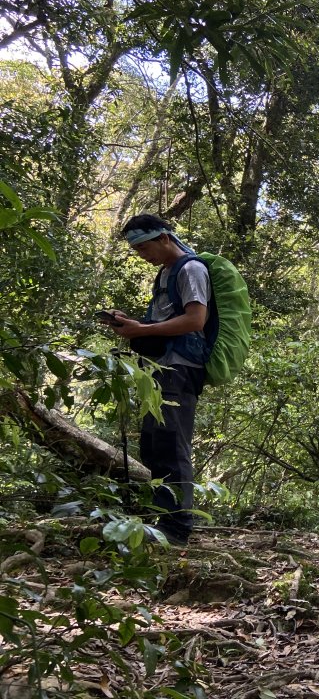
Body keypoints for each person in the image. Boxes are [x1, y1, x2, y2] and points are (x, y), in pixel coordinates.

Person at [105, 214, 210, 547]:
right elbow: (163, 322)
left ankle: (177, 528)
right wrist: (133, 324)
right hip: (159, 367)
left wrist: (143, 330)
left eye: (144, 247)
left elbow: (195, 320)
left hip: (180, 367)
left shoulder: (191, 269)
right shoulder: (165, 273)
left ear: (164, 237)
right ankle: (160, 520)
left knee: (172, 444)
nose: (142, 255)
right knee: (152, 443)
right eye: (136, 250)